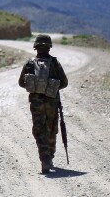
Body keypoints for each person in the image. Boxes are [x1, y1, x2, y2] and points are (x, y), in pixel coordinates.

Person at [18, 34, 69, 174]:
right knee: (51, 129)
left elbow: (21, 83)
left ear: (35, 47)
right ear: (49, 47)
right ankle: (50, 156)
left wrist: (34, 87)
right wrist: (51, 87)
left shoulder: (29, 63)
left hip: (36, 103)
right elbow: (64, 83)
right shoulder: (54, 63)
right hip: (52, 102)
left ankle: (44, 159)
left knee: (39, 130)